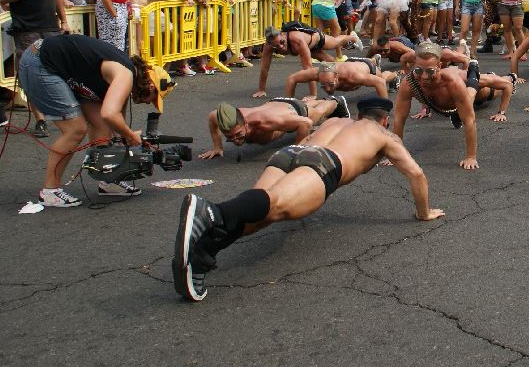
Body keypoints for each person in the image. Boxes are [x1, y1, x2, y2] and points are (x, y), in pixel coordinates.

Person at [173, 96, 444, 301]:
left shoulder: (338, 121)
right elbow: (417, 174)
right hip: (324, 164)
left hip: (291, 153)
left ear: (360, 114)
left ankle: (201, 255)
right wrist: (423, 212)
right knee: (274, 204)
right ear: (385, 119)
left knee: (260, 212)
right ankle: (212, 213)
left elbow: (309, 130)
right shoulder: (384, 134)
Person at [17, 33, 174, 206]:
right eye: (152, 98)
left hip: (49, 61)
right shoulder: (125, 74)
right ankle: (49, 191)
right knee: (75, 129)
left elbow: (111, 122)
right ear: (151, 85)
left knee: (101, 127)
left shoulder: (124, 75)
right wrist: (129, 135)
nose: (147, 103)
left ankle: (108, 180)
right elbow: (109, 114)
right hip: (39, 62)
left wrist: (124, 139)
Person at [0, 0, 73, 138]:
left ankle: (63, 112)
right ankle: (39, 119)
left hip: (50, 25)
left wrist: (64, 20)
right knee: (31, 73)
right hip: (26, 28)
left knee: (57, 69)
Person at [392, 41, 484, 170]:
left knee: (477, 91)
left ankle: (474, 71)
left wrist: (471, 156)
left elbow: (469, 120)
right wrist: (395, 154)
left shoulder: (453, 83)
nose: (424, 77)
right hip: (444, 105)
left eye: (430, 71)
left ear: (439, 66)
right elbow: (399, 118)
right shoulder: (408, 83)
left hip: (469, 92)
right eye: (418, 70)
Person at [199, 96, 349, 160]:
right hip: (276, 105)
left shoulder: (264, 121)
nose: (235, 139)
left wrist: (296, 150)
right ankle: (313, 100)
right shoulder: (220, 117)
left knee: (320, 113)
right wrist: (217, 147)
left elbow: (305, 123)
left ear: (245, 123)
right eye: (230, 137)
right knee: (308, 106)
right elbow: (212, 117)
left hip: (296, 110)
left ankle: (335, 101)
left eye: (238, 134)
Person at [253, 23, 360, 98]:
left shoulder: (297, 40)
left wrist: (313, 94)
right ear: (270, 43)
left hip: (316, 39)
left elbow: (308, 68)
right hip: (307, 48)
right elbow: (265, 68)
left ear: (282, 34)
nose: (280, 47)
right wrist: (261, 89)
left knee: (336, 42)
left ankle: (352, 37)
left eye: (281, 42)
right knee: (328, 61)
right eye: (276, 46)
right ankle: (353, 67)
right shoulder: (268, 46)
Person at [284, 58, 400, 100]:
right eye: (323, 85)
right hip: (350, 62)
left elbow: (379, 83)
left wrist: (384, 110)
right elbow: (291, 78)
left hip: (367, 68)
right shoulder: (317, 73)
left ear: (336, 76)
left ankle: (394, 75)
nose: (328, 88)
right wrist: (288, 104)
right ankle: (373, 59)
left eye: (330, 84)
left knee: (383, 79)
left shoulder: (353, 76)